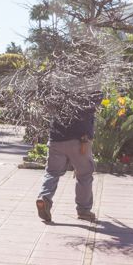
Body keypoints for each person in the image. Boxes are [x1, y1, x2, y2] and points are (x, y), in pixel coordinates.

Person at [36, 93, 98, 224]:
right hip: (80, 139)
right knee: (84, 174)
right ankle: (84, 211)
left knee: (52, 172)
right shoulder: (91, 85)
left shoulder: (56, 84)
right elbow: (95, 103)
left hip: (56, 138)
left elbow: (47, 103)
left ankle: (44, 197)